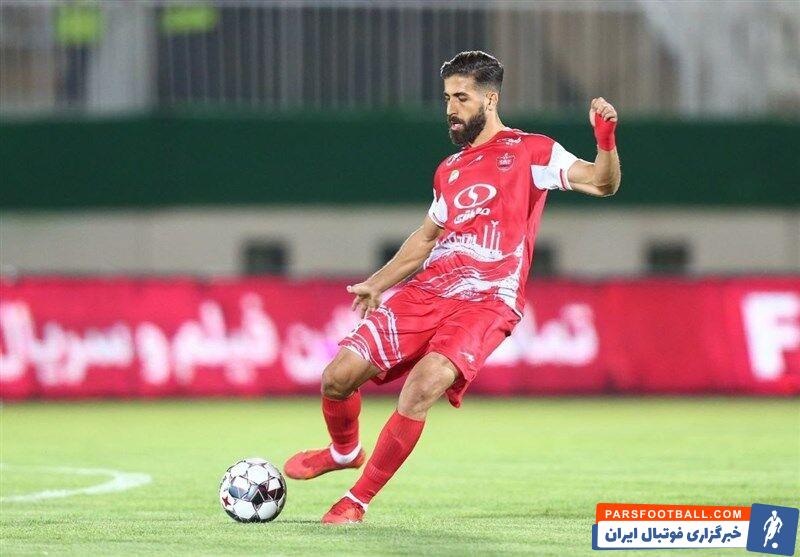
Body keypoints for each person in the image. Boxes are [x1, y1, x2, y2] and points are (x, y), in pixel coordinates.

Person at [283, 50, 621, 524]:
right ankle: (344, 452)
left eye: (461, 97)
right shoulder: (450, 169)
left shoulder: (532, 151)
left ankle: (355, 501)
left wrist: (605, 142)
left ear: (490, 99)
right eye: (446, 98)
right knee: (336, 378)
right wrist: (378, 282)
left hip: (488, 301)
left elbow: (602, 183)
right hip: (429, 292)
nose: (450, 108)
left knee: (422, 387)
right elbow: (426, 238)